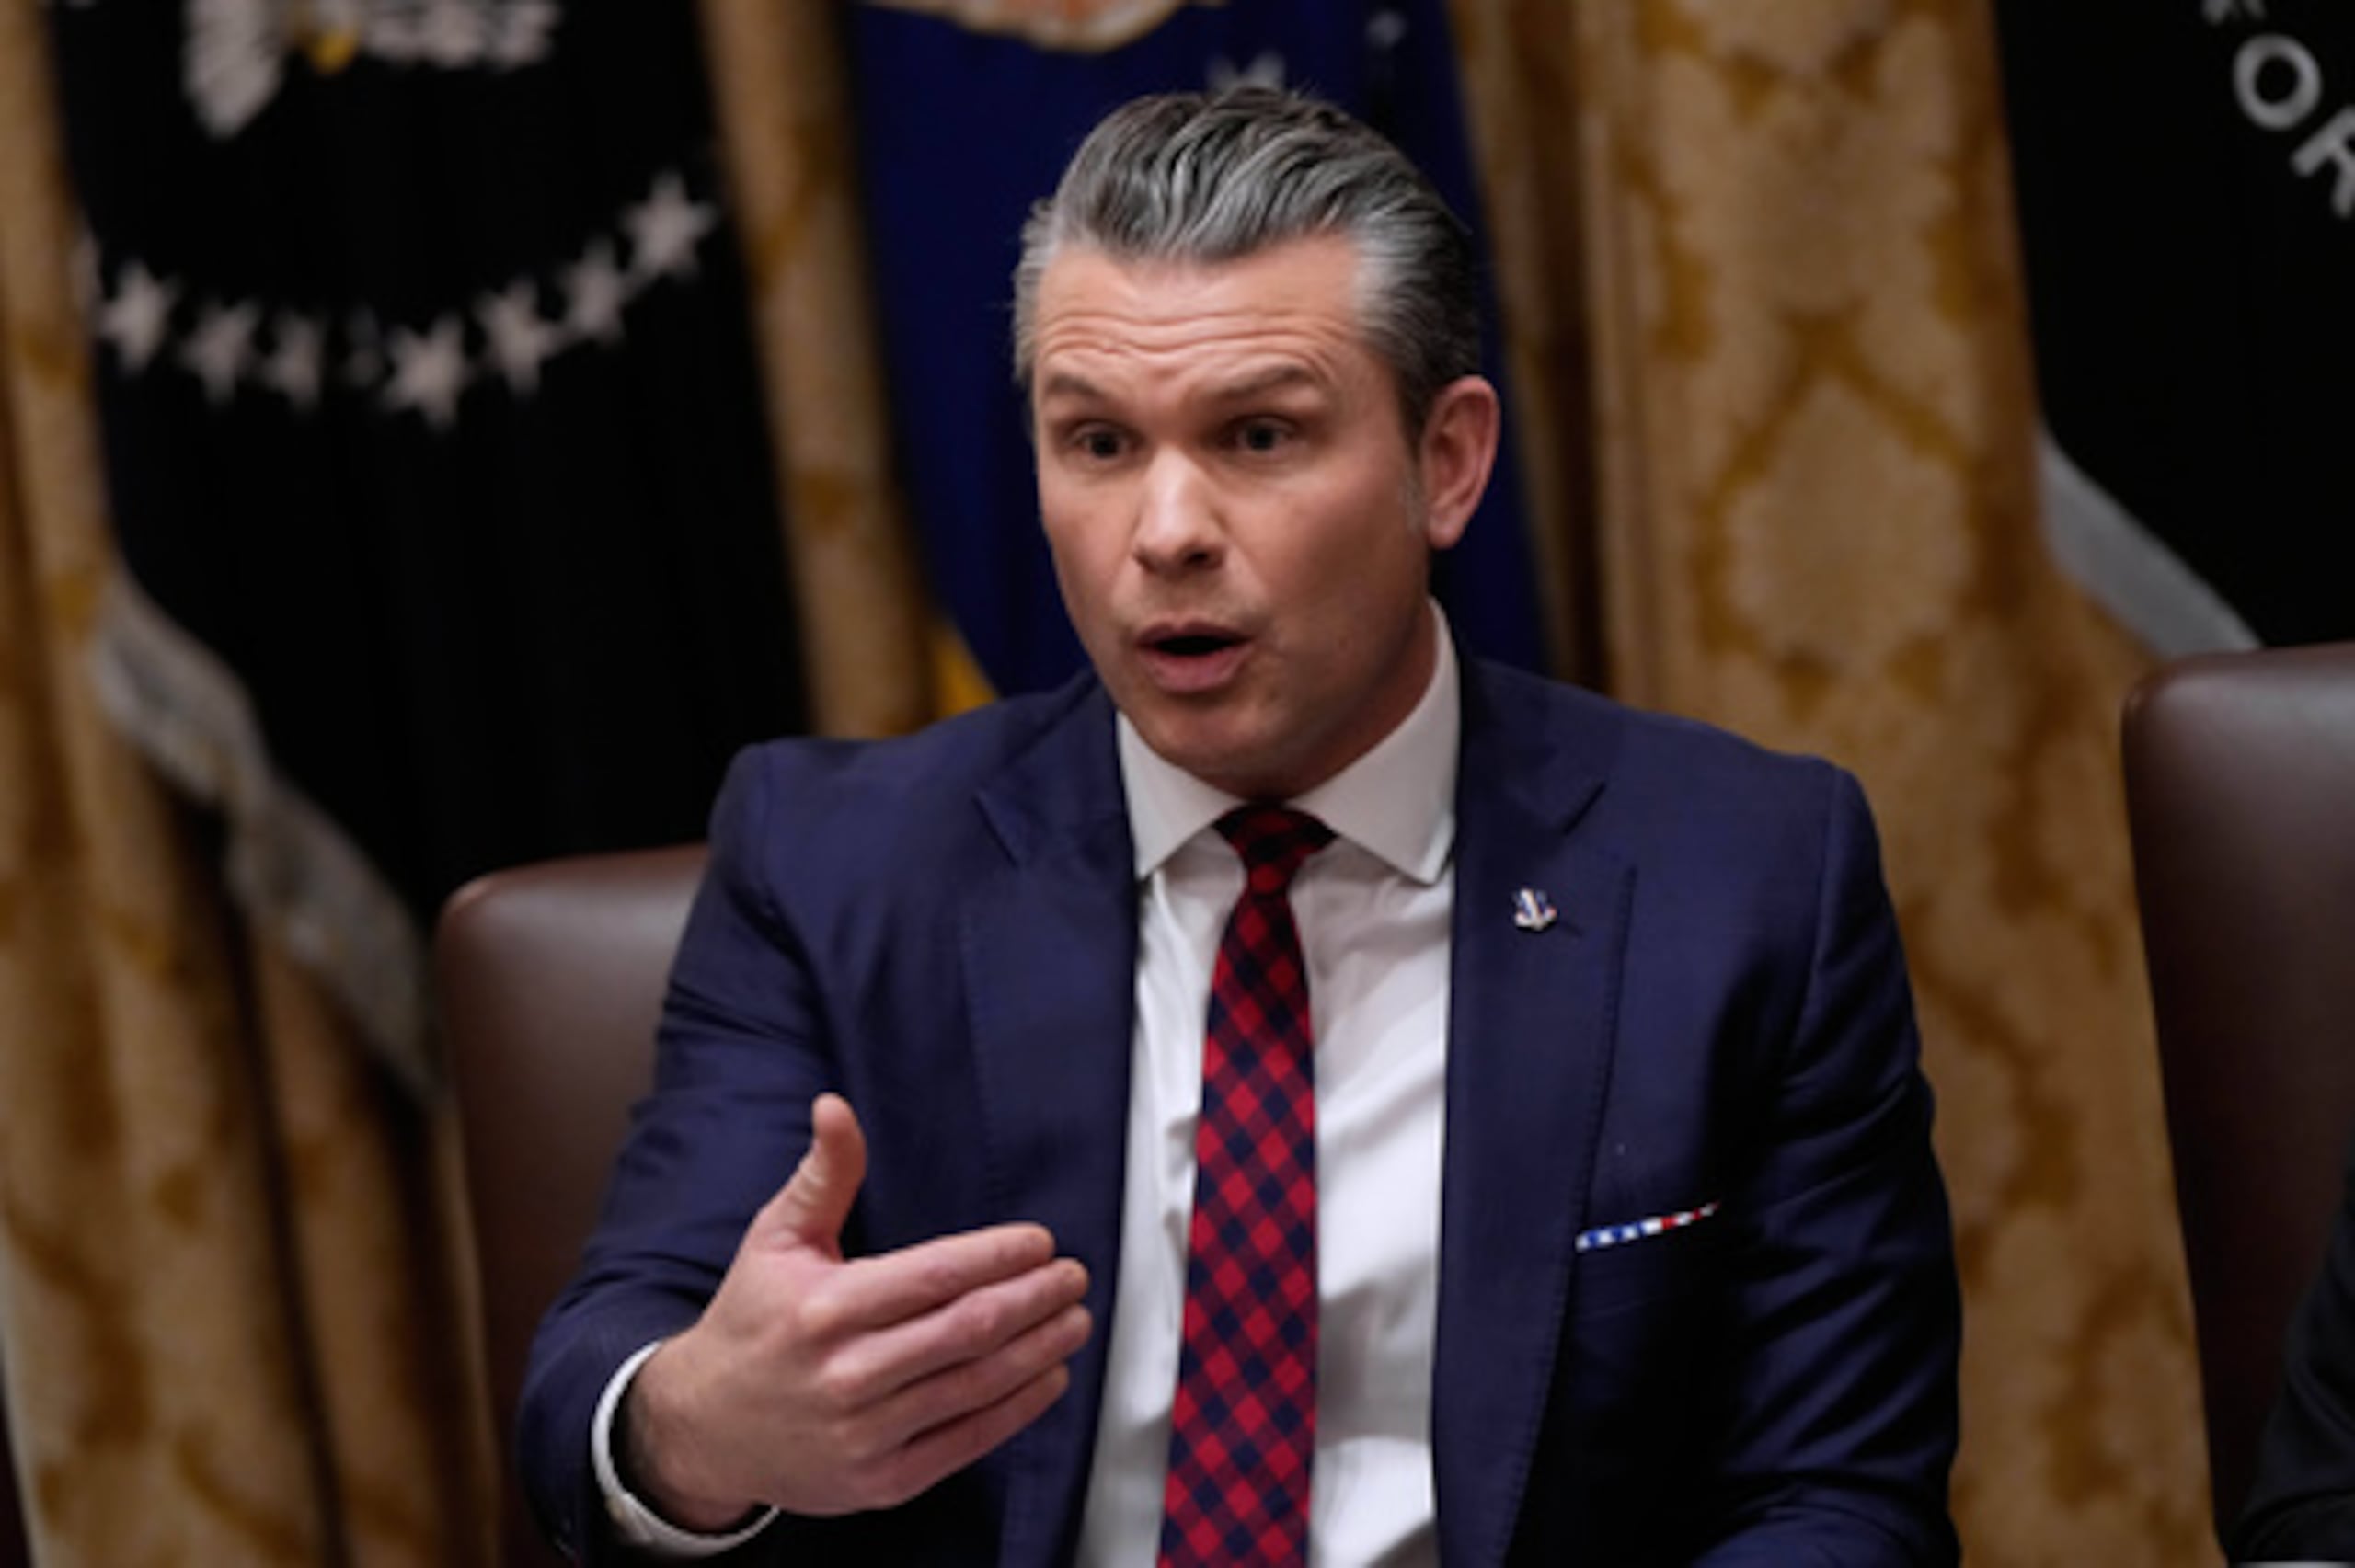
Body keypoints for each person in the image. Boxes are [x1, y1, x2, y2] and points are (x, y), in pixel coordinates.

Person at [518, 86, 1961, 1566]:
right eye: (1096, 443)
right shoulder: (831, 862)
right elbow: (601, 1365)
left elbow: (1838, 1497)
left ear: (1446, 463)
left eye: (1259, 434)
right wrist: (701, 1424)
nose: (1165, 531)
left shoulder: (1746, 877)